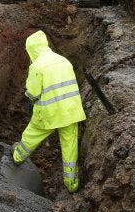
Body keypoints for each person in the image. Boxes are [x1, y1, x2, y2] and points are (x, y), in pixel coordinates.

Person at [12, 30, 86, 193]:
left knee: (30, 136)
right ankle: (71, 184)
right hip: (70, 112)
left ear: (31, 49)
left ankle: (17, 157)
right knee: (70, 149)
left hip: (49, 114)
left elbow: (33, 93)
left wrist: (30, 100)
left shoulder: (37, 66)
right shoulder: (63, 60)